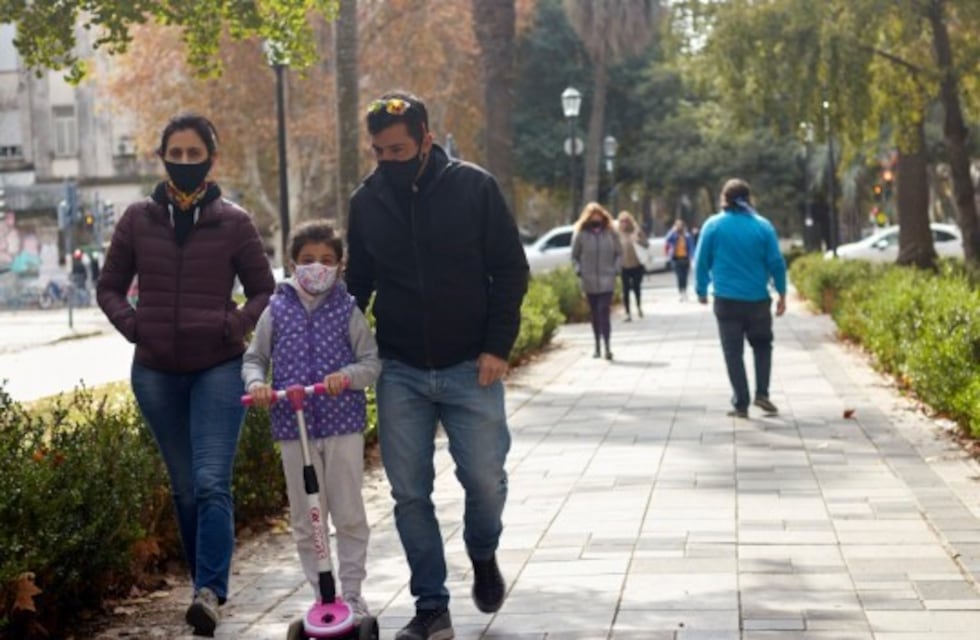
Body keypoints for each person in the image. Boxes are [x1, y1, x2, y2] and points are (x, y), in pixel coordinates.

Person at [345, 91, 529, 640]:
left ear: (427, 138)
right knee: (409, 494)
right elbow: (358, 286)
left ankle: (483, 550)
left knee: (485, 480)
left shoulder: (475, 187)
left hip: (472, 366)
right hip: (399, 367)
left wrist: (497, 346)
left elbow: (510, 269)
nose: (388, 161)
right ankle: (431, 607)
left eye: (398, 149)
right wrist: (328, 340)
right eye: (378, 151)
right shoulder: (367, 201)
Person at [96, 113, 275, 636]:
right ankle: (205, 590)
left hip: (218, 367)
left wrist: (233, 324)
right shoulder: (136, 220)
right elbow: (109, 286)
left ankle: (209, 591)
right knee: (184, 488)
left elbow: (263, 290)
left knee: (211, 482)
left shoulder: (234, 222)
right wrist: (135, 328)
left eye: (195, 154)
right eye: (176, 153)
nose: (185, 162)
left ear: (211, 160)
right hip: (155, 372)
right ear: (162, 156)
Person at [242, 220, 380, 626]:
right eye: (307, 260)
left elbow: (371, 362)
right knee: (306, 518)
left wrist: (347, 377)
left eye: (326, 260)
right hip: (292, 425)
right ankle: (323, 595)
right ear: (292, 263)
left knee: (348, 511)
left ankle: (352, 595)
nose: (316, 267)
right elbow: (255, 358)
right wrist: (257, 384)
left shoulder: (347, 308)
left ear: (340, 265)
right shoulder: (276, 308)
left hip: (341, 425)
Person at [694, 178, 787, 418]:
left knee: (733, 352)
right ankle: (762, 394)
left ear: (724, 200)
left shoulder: (713, 225)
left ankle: (741, 402)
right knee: (762, 346)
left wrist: (701, 290)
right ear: (749, 198)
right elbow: (776, 263)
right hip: (758, 300)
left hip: (727, 301)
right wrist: (782, 293)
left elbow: (702, 260)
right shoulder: (763, 226)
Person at [572, 202, 622, 360]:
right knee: (594, 314)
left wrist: (616, 269)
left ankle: (607, 346)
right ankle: (597, 346)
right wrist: (579, 270)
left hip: (607, 278)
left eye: (598, 215)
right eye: (593, 215)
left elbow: (619, 253)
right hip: (589, 280)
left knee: (603, 312)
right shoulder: (581, 234)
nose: (596, 218)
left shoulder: (610, 233)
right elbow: (574, 256)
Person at [615, 210, 648, 322]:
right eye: (621, 221)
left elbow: (646, 244)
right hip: (624, 266)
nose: (624, 223)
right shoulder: (617, 234)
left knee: (636, 287)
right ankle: (628, 313)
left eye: (626, 221)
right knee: (625, 290)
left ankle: (638, 306)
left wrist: (638, 240)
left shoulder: (636, 231)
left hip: (637, 265)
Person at [665, 219, 695, 301]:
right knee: (679, 277)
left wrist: (692, 256)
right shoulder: (674, 235)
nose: (679, 227)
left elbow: (691, 247)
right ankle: (680, 293)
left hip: (685, 259)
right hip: (676, 259)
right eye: (677, 225)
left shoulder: (687, 236)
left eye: (680, 225)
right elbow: (667, 239)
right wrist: (672, 230)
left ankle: (685, 292)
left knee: (685, 277)